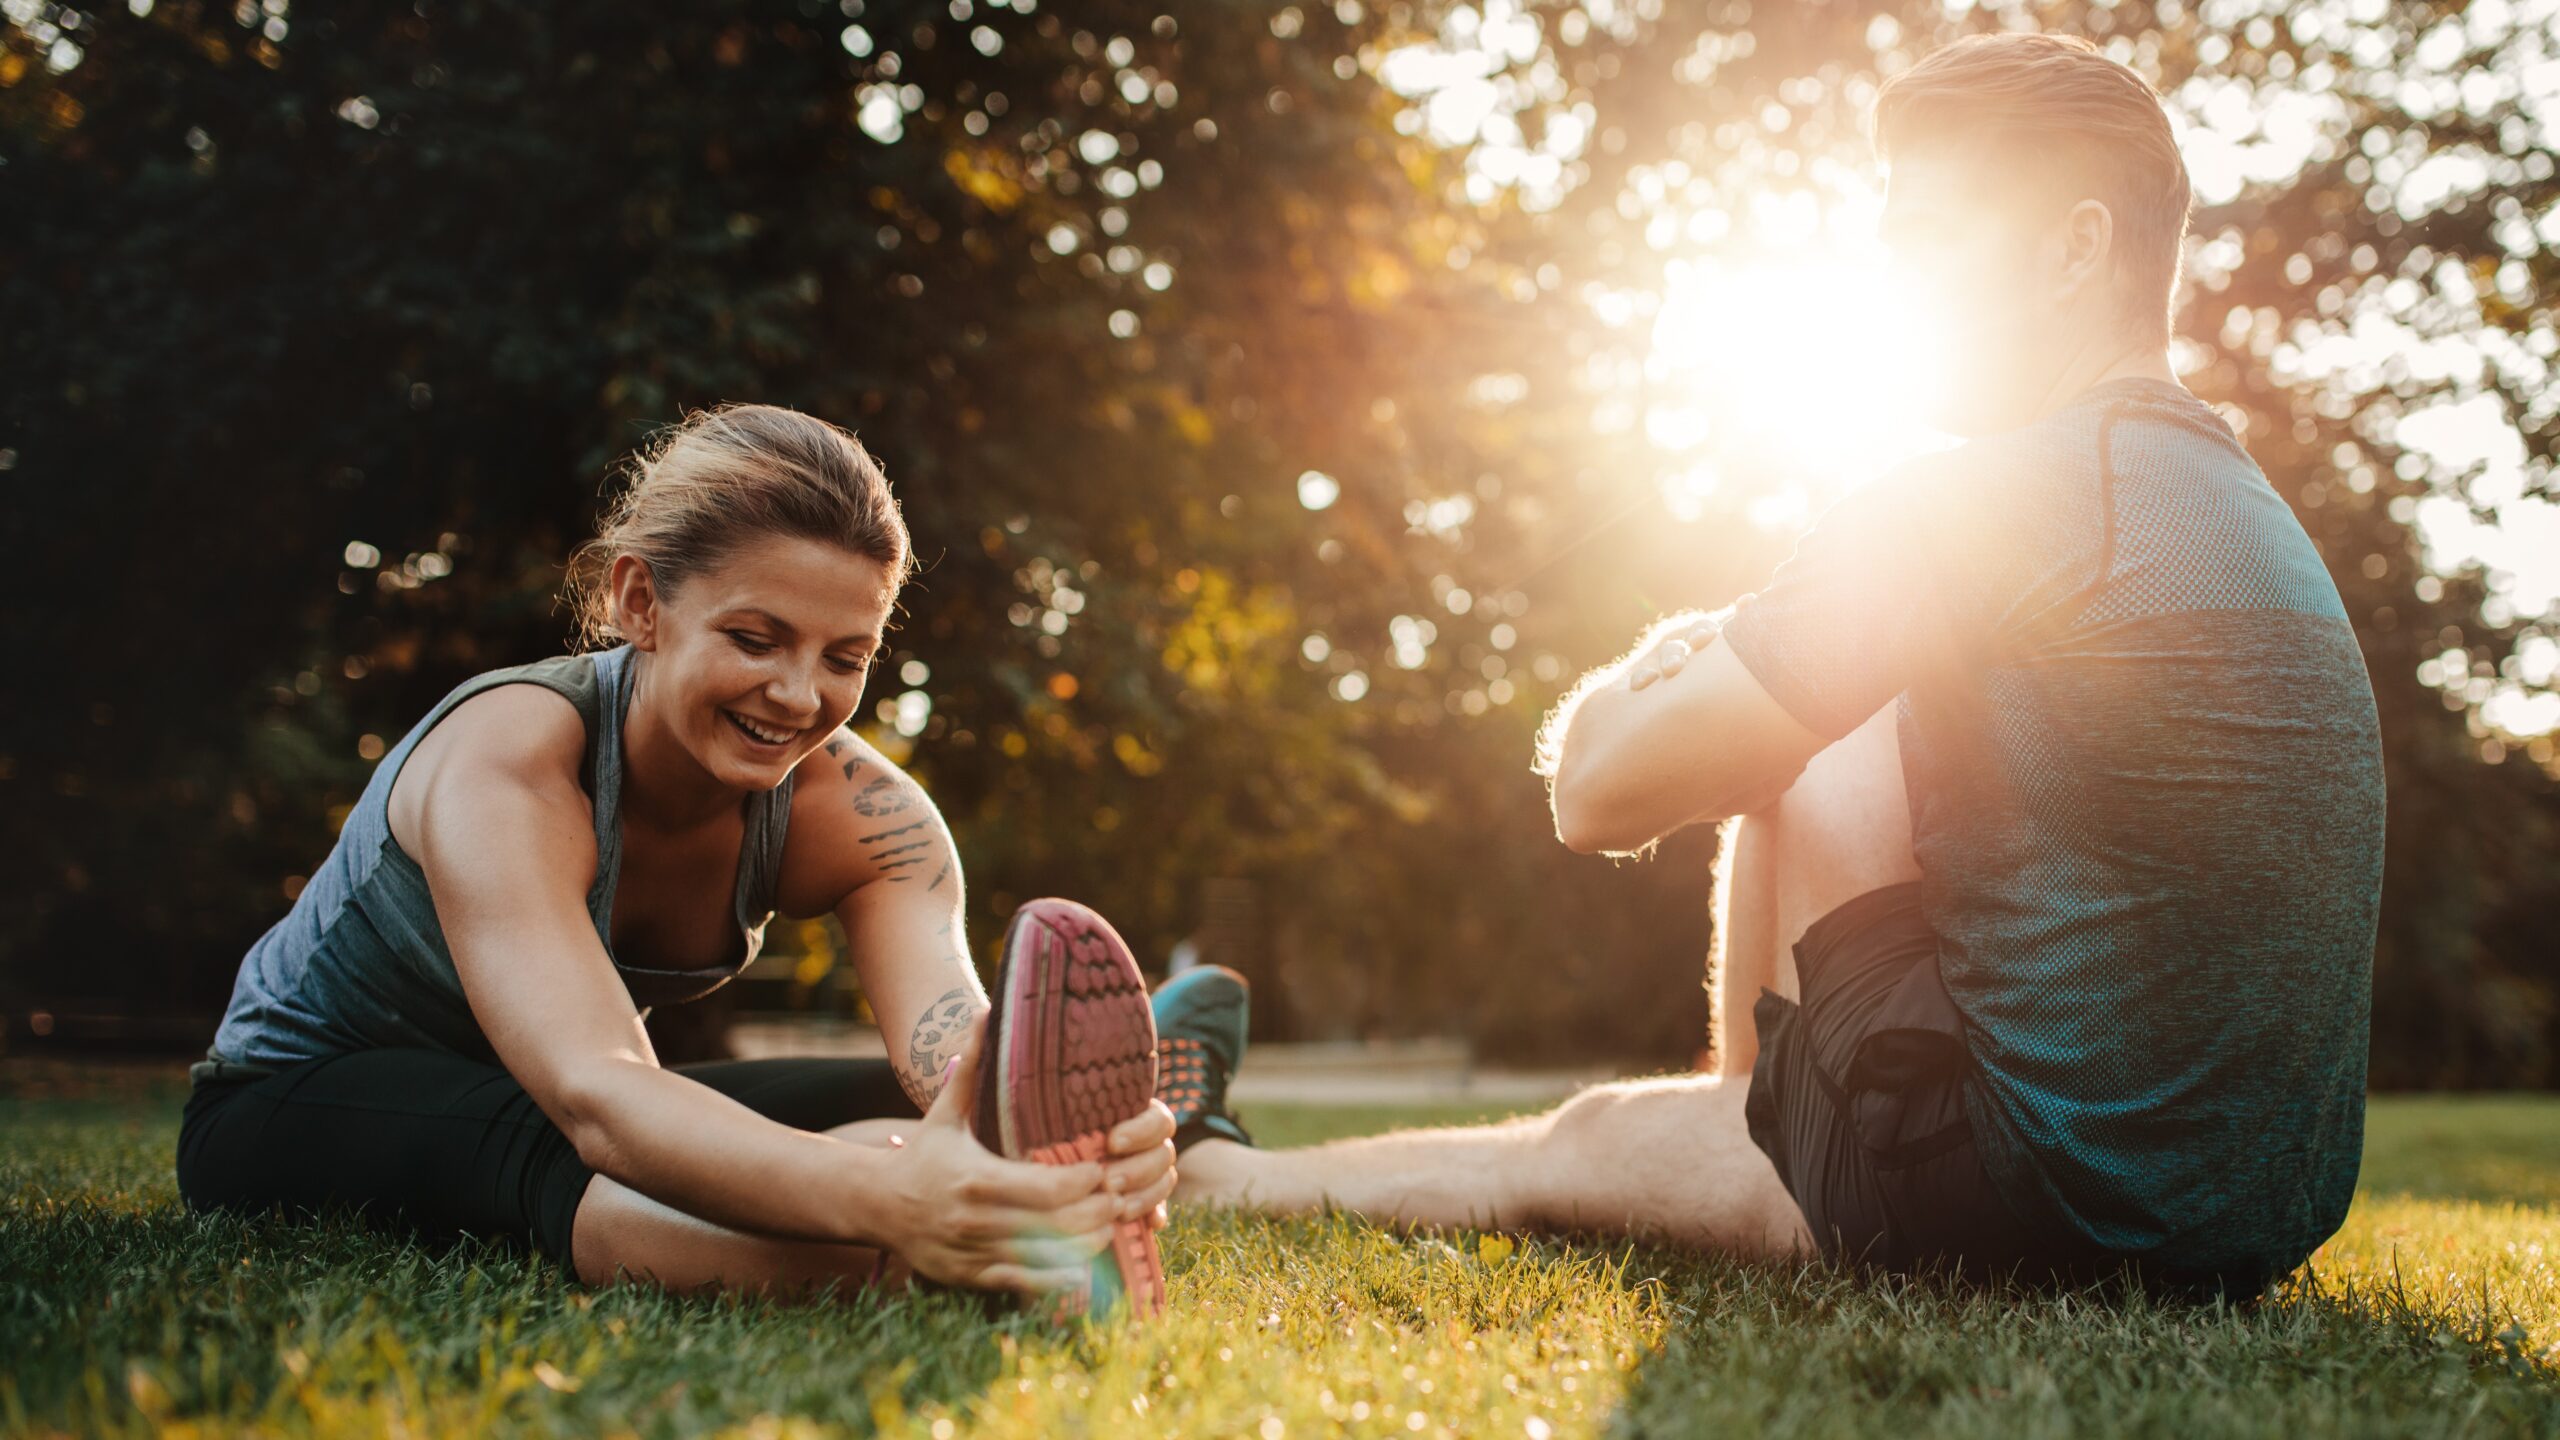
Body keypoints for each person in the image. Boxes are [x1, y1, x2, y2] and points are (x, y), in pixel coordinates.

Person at [1173, 33, 2386, 1300]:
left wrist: (1665, 661)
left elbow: (1596, 794)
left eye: (1926, 236)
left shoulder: (1984, 501)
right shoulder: (2234, 505)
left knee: (1581, 1142)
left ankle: (1213, 1173)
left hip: (2053, 1206)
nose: (1890, 281)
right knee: (1847, 720)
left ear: (2074, 249)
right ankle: (1757, 1124)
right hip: (2252, 1213)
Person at [179, 403, 1194, 1308]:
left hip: (553, 1096)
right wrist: (891, 1195)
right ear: (638, 602)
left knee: (902, 1109)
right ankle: (967, 1261)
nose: (799, 696)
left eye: (844, 658)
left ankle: (1046, 1218)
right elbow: (599, 1093)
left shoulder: (868, 815)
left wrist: (1033, 1122)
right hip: (297, 1100)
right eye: (756, 639)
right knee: (563, 1151)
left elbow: (945, 1054)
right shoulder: (513, 761)